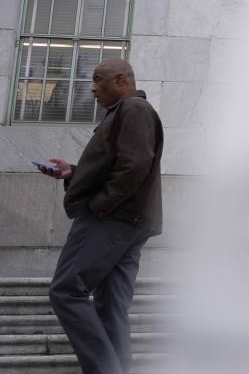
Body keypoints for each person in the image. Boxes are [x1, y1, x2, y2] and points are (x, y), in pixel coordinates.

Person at [36, 59, 164, 374]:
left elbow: (134, 167)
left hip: (112, 219)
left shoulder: (134, 109)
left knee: (66, 291)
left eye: (98, 80)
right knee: (110, 304)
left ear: (121, 80)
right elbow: (120, 166)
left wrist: (98, 207)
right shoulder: (129, 112)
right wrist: (73, 172)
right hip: (129, 220)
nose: (92, 88)